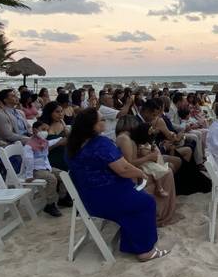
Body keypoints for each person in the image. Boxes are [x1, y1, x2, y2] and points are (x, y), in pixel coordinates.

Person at [67, 107, 169, 261]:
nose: (105, 122)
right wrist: (140, 173)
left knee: (136, 198)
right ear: (92, 126)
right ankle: (145, 251)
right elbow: (123, 169)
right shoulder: (100, 143)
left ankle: (131, 243)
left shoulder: (72, 146)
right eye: (101, 120)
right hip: (107, 198)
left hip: (88, 200)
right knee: (146, 202)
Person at [115, 117, 179, 226]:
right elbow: (129, 163)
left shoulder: (128, 139)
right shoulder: (125, 139)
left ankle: (164, 212)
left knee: (167, 170)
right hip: (132, 177)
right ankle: (161, 214)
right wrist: (149, 157)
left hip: (134, 172)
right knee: (167, 173)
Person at [22, 120, 66, 218]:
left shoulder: (43, 141)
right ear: (34, 130)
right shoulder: (29, 145)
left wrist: (60, 139)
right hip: (35, 170)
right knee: (52, 179)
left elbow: (50, 143)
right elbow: (28, 160)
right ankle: (50, 205)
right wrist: (29, 175)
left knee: (64, 175)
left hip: (46, 167)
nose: (45, 132)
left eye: (47, 130)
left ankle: (62, 198)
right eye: (43, 129)